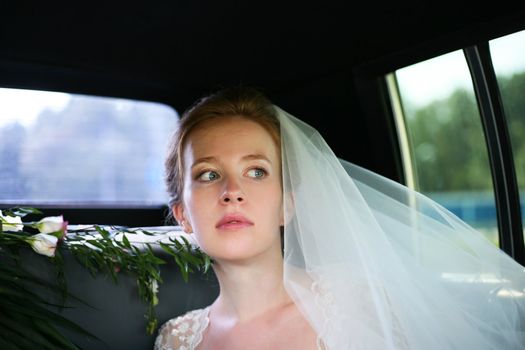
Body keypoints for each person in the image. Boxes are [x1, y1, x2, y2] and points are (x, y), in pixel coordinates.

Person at [154, 86, 525, 349]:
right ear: (183, 215)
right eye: (208, 174)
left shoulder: (361, 304)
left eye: (256, 172)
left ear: (288, 204)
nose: (232, 190)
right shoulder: (176, 340)